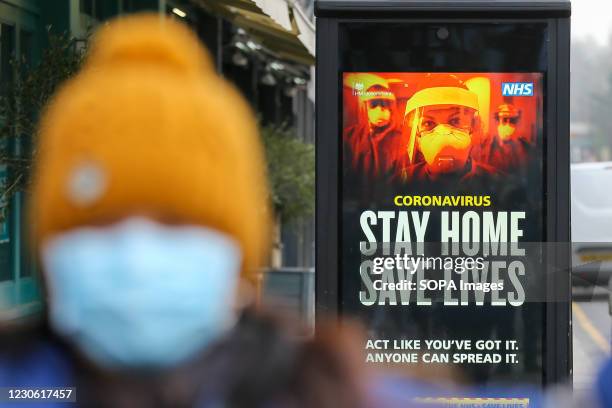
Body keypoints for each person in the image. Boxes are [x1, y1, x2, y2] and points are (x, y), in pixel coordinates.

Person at [0, 15, 368, 408]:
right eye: (104, 223)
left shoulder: (328, 393)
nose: (136, 257)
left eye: (175, 222)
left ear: (239, 249)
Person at [397, 74, 498, 185]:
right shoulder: (400, 182)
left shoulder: (497, 183)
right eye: (428, 123)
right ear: (417, 137)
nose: (443, 135)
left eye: (456, 121)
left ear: (474, 128)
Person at [343, 73, 405, 180]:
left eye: (384, 105)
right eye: (373, 105)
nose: (379, 111)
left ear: (392, 108)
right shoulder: (350, 136)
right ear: (366, 108)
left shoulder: (402, 138)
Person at [484, 103, 533, 172]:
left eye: (512, 121)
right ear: (497, 122)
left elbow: (523, 172)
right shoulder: (489, 146)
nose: (508, 125)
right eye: (504, 120)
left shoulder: (521, 147)